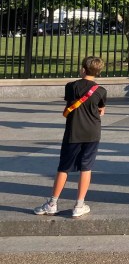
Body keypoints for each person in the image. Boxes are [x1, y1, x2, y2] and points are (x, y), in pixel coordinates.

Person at [33, 56, 107, 218]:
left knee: (64, 167)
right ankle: (79, 204)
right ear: (99, 72)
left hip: (73, 132)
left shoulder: (71, 87)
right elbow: (101, 109)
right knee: (86, 168)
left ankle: (52, 203)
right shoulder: (101, 90)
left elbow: (69, 106)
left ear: (83, 69)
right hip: (93, 133)